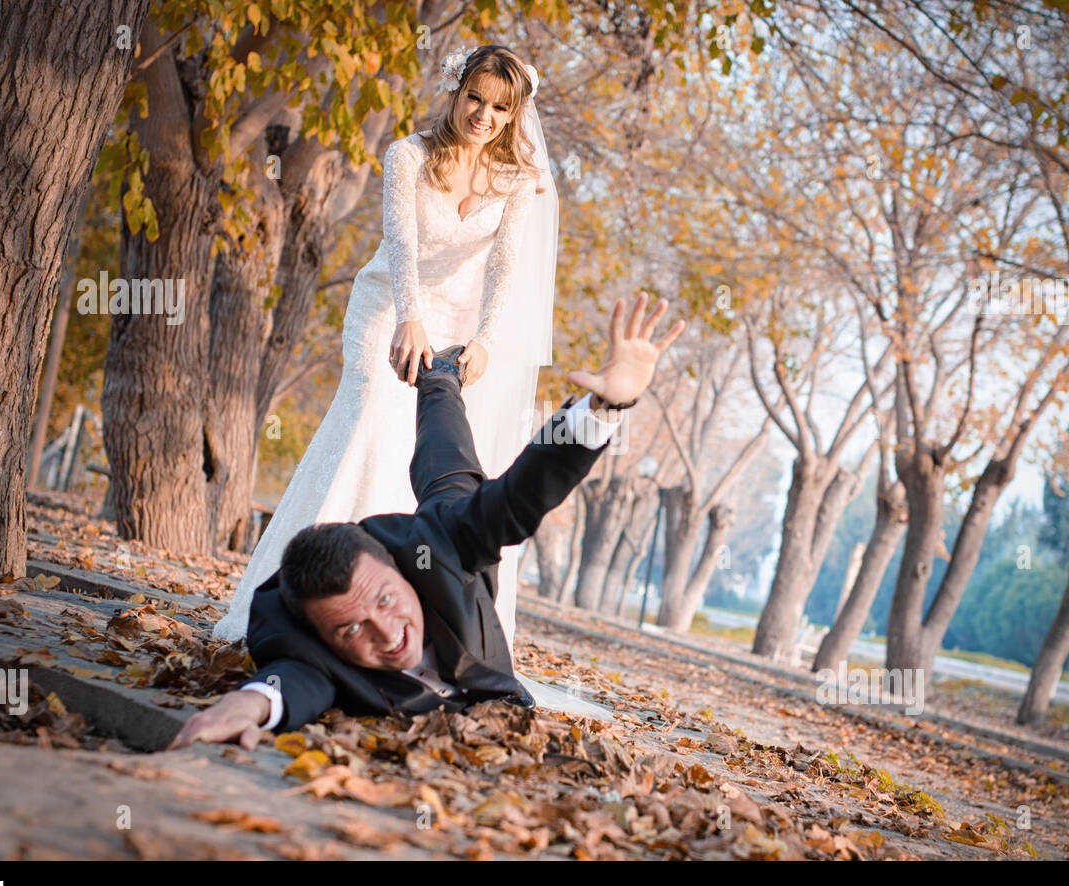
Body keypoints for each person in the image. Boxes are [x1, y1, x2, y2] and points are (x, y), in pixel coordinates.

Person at [172, 294, 685, 749]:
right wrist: (247, 705)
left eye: (385, 600)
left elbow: (518, 498)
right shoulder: (298, 636)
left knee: (448, 467)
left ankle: (440, 377)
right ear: (322, 635)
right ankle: (440, 386)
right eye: (351, 628)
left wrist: (605, 407)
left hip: (444, 539)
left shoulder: (432, 549)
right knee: (447, 478)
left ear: (398, 569)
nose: (387, 633)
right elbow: (292, 679)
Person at [211, 45, 558, 661]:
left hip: (461, 325)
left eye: (500, 107)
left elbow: (505, 266)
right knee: (368, 423)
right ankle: (298, 595)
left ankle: (399, 614)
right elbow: (400, 242)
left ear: (513, 114)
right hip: (389, 308)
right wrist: (410, 318)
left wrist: (484, 340)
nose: (483, 114)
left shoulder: (516, 180)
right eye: (474, 97)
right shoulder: (408, 155)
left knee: (424, 455)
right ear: (455, 90)